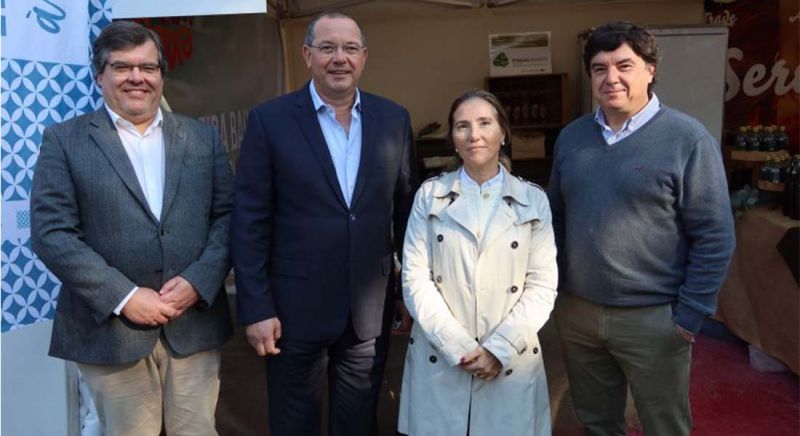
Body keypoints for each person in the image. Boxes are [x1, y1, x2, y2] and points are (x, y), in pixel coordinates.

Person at [30, 20, 234, 436]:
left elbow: (229, 217)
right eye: (122, 67)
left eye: (149, 67)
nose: (137, 77)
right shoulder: (64, 140)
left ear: (161, 74)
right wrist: (123, 296)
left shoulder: (201, 138)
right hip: (110, 332)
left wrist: (199, 279)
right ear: (99, 74)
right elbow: (52, 233)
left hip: (192, 323)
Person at [230, 10, 418, 436]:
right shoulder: (270, 120)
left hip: (367, 313)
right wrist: (256, 307)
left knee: (358, 424)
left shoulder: (394, 119)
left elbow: (408, 212)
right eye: (328, 47)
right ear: (307, 54)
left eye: (350, 48)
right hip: (291, 313)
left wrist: (408, 293)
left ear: (364, 57)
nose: (340, 58)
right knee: (295, 424)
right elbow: (249, 221)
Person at [547, 21, 735, 436]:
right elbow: (554, 220)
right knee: (596, 422)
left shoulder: (688, 139)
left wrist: (688, 317)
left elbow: (715, 235)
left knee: (664, 426)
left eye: (624, 65)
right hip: (578, 313)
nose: (611, 78)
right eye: (599, 68)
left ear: (650, 69)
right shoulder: (571, 139)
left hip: (654, 318)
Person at [397, 89, 558, 436]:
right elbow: (414, 278)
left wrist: (497, 350)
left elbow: (542, 286)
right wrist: (462, 348)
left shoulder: (533, 200)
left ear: (504, 133)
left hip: (510, 358)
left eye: (485, 123)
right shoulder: (429, 196)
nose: (474, 135)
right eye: (462, 126)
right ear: (452, 139)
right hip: (442, 355)